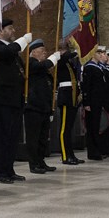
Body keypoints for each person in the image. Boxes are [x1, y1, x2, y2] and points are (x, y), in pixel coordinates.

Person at [0, 18, 31, 183]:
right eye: (10, 28)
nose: (14, 31)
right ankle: (0, 173)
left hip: (14, 99)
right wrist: (23, 41)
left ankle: (9, 169)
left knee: (13, 137)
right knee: (3, 137)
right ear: (1, 31)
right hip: (3, 100)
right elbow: (7, 52)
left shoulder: (12, 52)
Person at [26, 40, 63, 173]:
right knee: (33, 138)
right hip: (34, 107)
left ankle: (41, 161)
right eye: (42, 51)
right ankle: (34, 164)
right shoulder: (31, 63)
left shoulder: (43, 69)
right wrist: (53, 58)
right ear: (33, 52)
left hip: (44, 107)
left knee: (43, 138)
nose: (45, 53)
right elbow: (42, 66)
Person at [54, 40, 83, 165]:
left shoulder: (69, 58)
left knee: (69, 128)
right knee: (64, 129)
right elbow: (67, 56)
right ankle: (65, 156)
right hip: (65, 95)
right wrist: (78, 48)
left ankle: (71, 154)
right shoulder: (59, 57)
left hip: (72, 95)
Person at [80, 46, 109, 159]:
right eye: (98, 52)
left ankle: (98, 149)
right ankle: (93, 152)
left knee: (97, 127)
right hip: (91, 103)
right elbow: (86, 86)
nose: (100, 54)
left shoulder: (98, 67)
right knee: (92, 127)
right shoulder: (89, 67)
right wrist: (86, 103)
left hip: (98, 101)